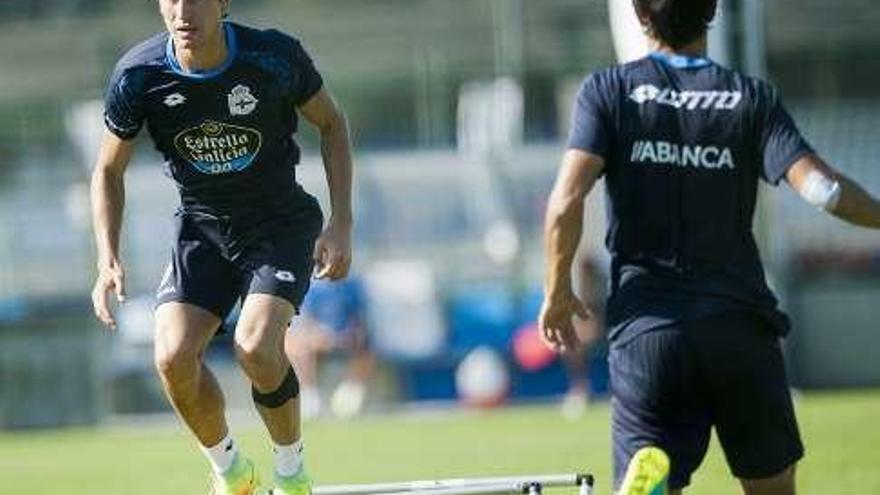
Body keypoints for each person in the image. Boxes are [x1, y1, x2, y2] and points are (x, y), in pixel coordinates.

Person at [539, 0, 880, 494]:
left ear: (638, 15)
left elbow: (566, 200)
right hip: (738, 326)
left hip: (649, 332)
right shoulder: (751, 98)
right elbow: (823, 191)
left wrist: (556, 289)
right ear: (713, 10)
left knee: (654, 465)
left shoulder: (608, 90)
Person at [90, 0, 354, 493]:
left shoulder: (273, 57)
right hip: (202, 230)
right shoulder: (137, 75)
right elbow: (107, 169)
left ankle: (291, 473)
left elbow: (333, 123)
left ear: (223, 3)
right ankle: (232, 473)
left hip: (278, 225)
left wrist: (341, 224)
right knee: (171, 356)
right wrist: (107, 256)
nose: (183, 11)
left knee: (254, 346)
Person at [284, 276, 373, 419]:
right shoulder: (310, 285)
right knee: (299, 347)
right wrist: (320, 335)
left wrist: (351, 334)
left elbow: (359, 319)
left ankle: (350, 394)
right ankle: (309, 396)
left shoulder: (352, 285)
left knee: (366, 347)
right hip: (316, 337)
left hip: (343, 336)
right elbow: (304, 320)